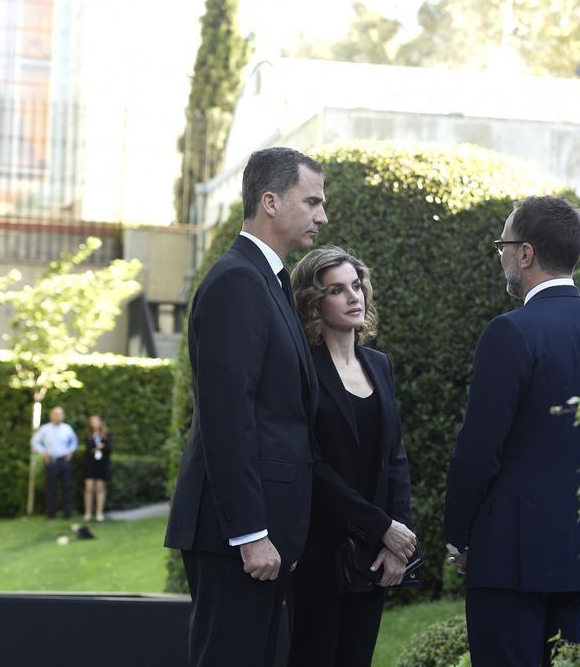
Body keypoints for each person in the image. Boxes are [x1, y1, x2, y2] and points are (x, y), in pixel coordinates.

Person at [164, 147, 329, 667]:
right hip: (234, 538)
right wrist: (251, 534)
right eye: (313, 202)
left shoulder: (271, 280)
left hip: (264, 535)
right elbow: (226, 416)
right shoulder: (237, 280)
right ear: (271, 202)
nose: (322, 216)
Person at [443, 196, 580, 667]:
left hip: (507, 555)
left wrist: (458, 534)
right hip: (574, 552)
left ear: (525, 253)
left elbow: (480, 449)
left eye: (503, 245)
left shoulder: (511, 332)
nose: (501, 255)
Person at [286, 247, 417, 667]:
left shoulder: (380, 365)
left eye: (356, 286)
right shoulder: (302, 366)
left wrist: (399, 542)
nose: (353, 297)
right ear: (313, 302)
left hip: (373, 555)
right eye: (337, 290)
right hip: (318, 552)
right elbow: (311, 463)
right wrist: (380, 527)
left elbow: (394, 457)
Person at [31, 405, 78, 520]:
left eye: (60, 414)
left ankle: (67, 513)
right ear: (51, 415)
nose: (58, 416)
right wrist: (43, 452)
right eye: (55, 414)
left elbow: (74, 442)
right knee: (51, 488)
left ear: (63, 416)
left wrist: (70, 451)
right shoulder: (45, 429)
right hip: (51, 461)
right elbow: (34, 442)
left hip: (64, 461)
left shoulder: (67, 428)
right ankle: (50, 514)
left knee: (67, 487)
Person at [83, 414, 111, 523]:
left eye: (95, 421)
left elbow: (108, 447)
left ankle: (99, 513)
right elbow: (89, 448)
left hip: (102, 464)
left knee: (100, 488)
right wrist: (99, 446)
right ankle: (88, 512)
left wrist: (98, 447)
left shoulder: (107, 434)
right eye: (91, 421)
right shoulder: (88, 435)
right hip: (90, 464)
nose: (93, 423)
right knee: (89, 488)